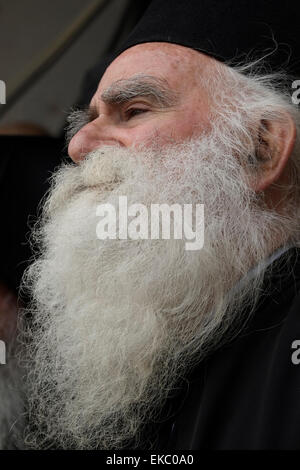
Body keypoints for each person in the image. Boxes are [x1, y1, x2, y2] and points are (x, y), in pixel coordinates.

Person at [1, 0, 300, 450]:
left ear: (261, 147)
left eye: (135, 110)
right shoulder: (157, 349)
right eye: (88, 119)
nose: (79, 144)